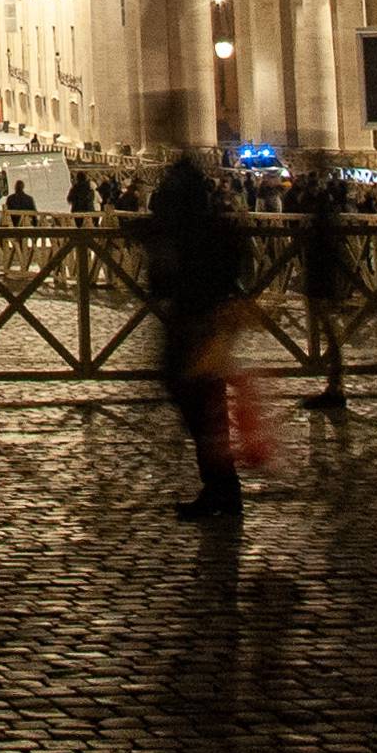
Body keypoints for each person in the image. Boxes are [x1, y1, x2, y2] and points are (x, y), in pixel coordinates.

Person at [146, 153, 250, 520]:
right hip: (210, 323)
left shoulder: (183, 231)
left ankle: (222, 488)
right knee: (210, 410)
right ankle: (224, 488)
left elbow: (161, 280)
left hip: (192, 325)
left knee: (201, 411)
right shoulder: (213, 224)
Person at [300, 169, 352, 410]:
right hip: (326, 281)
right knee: (331, 332)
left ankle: (336, 384)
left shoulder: (320, 223)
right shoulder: (330, 219)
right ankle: (335, 383)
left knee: (331, 333)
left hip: (323, 282)